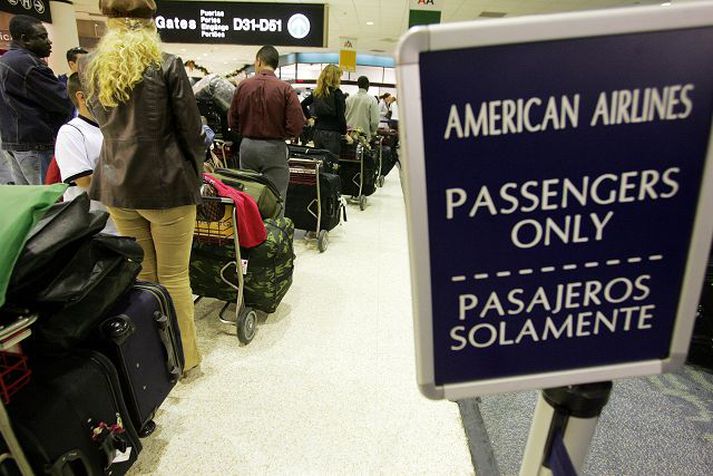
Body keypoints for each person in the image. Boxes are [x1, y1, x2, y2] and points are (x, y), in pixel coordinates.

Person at [80, 0, 205, 374]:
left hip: (118, 186)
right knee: (175, 277)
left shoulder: (91, 66)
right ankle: (185, 361)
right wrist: (195, 173)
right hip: (166, 187)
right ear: (151, 23)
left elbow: (104, 125)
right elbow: (192, 131)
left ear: (109, 22)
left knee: (146, 278)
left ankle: (155, 362)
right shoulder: (167, 64)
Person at [0, 15, 73, 185]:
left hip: (14, 144)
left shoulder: (6, 61)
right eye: (42, 37)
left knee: (31, 201)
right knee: (47, 201)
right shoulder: (29, 65)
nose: (49, 42)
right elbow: (63, 101)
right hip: (35, 145)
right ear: (25, 39)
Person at [228, 45, 304, 205]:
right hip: (274, 147)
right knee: (277, 197)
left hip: (248, 146)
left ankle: (251, 228)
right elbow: (297, 124)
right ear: (275, 64)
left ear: (259, 61)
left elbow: (232, 120)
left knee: (248, 193)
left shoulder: (243, 86)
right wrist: (285, 134)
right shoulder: (286, 89)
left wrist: (243, 131)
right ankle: (272, 228)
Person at [54, 73, 117, 234]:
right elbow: (83, 180)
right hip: (96, 228)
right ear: (82, 97)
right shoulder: (71, 132)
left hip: (121, 222)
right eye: (104, 91)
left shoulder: (113, 127)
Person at [301, 64, 346, 156]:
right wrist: (345, 133)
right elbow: (341, 117)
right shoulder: (337, 93)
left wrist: (310, 118)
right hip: (333, 134)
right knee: (331, 164)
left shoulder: (317, 93)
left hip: (318, 132)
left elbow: (302, 104)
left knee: (319, 162)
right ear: (335, 78)